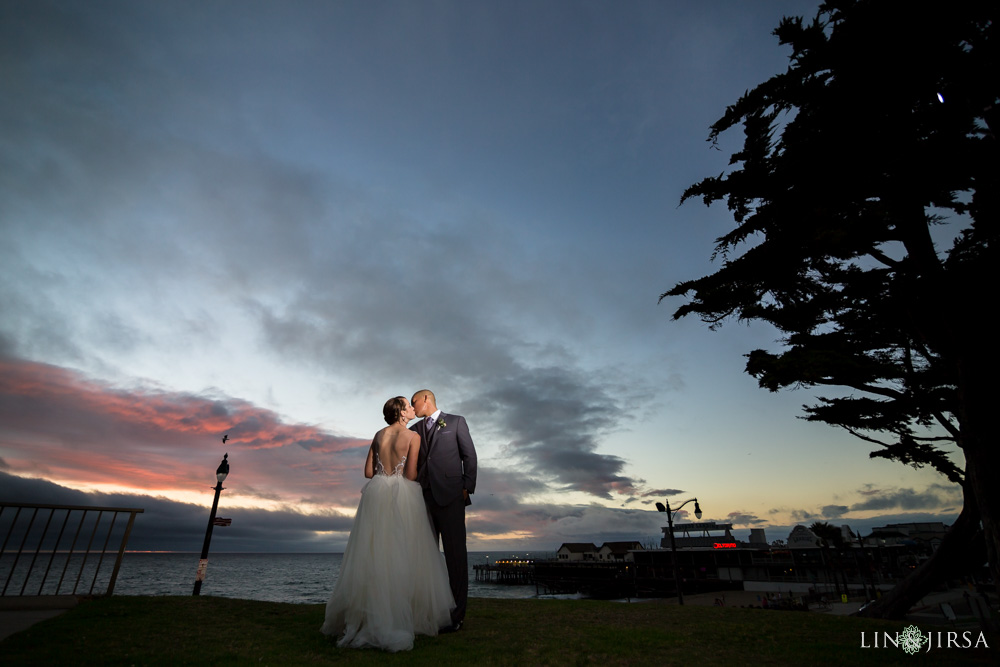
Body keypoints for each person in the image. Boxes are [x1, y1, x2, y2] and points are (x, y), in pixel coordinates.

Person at [321, 396, 455, 652]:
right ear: (402, 413)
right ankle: (402, 617)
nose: (412, 408)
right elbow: (411, 475)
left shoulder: (378, 435)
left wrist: (385, 470)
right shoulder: (413, 437)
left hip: (377, 493)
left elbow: (368, 473)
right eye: (408, 406)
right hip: (402, 496)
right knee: (404, 553)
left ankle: (370, 615)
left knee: (374, 554)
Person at [410, 389, 477, 631]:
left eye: (414, 402)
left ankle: (456, 616)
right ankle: (429, 612)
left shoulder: (456, 422)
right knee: (426, 558)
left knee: (456, 557)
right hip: (424, 499)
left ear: (426, 399)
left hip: (451, 498)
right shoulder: (414, 430)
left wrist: (467, 487)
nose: (412, 406)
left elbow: (469, 455)